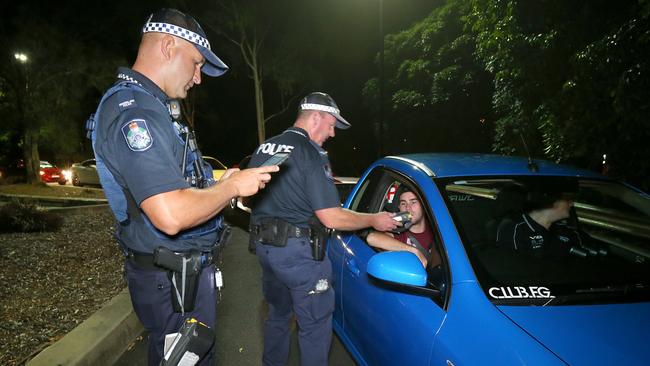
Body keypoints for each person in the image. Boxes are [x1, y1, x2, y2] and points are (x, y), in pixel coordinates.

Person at [88, 9, 278, 365]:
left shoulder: (155, 108)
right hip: (170, 282)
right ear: (168, 46)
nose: (198, 78)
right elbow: (171, 214)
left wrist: (226, 179)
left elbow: (182, 181)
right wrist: (232, 188)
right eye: (195, 64)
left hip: (181, 276)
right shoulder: (135, 114)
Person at [247, 92, 399, 366]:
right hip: (299, 256)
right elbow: (331, 217)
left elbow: (249, 199)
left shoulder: (265, 147)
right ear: (315, 117)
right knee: (315, 328)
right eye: (331, 125)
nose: (332, 133)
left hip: (266, 250)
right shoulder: (311, 153)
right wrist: (374, 219)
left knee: (278, 316)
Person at [495, 187, 597, 258]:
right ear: (549, 201)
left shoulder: (567, 231)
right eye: (567, 199)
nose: (571, 203)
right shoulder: (514, 229)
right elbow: (512, 265)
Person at [366, 187, 441, 267]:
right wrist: (412, 250)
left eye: (413, 202)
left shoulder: (437, 227)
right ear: (399, 207)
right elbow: (372, 238)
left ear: (423, 205)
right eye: (403, 203)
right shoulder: (397, 229)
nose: (408, 208)